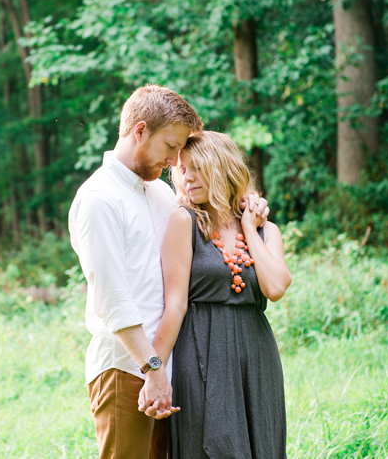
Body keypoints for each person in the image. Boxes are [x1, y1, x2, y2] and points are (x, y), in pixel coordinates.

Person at [69, 85, 268, 459]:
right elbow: (113, 302)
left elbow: (211, 223)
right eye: (171, 147)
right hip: (126, 368)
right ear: (140, 131)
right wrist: (153, 369)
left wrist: (246, 202)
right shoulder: (99, 200)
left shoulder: (159, 193)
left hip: (169, 370)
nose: (176, 160)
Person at [150, 131, 292, 459]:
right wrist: (154, 370)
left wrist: (249, 227)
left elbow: (275, 287)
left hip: (255, 354)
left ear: (222, 167)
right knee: (211, 445)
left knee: (263, 446)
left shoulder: (265, 230)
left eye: (196, 168)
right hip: (200, 351)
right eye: (182, 170)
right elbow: (175, 304)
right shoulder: (183, 221)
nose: (186, 177)